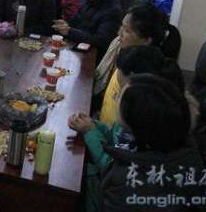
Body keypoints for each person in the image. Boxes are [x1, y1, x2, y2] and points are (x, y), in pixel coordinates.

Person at [69, 50, 190, 212]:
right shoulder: (155, 130)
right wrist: (95, 125)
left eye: (120, 95)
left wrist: (90, 131)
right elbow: (116, 140)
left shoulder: (129, 178)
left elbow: (110, 167)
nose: (116, 97)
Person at [99, 75, 206, 212]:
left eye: (120, 97)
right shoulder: (187, 147)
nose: (116, 97)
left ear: (135, 121)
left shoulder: (127, 183)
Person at [97, 2, 182, 123]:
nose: (119, 33)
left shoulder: (143, 83)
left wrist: (93, 129)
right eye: (122, 26)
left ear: (146, 40)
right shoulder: (120, 50)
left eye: (127, 30)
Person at [52, 0, 122, 63]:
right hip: (76, 49)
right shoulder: (86, 0)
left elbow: (100, 40)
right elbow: (75, 22)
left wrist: (70, 31)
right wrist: (65, 24)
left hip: (93, 57)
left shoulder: (112, 10)